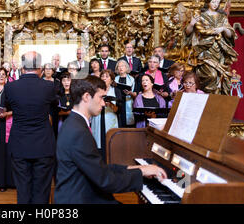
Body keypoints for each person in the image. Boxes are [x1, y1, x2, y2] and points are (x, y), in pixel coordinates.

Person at [54, 76, 167, 204]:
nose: (103, 103)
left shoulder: (75, 123)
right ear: (86, 97)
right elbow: (105, 180)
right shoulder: (78, 131)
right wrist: (140, 173)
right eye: (101, 97)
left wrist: (139, 169)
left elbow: (99, 168)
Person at [4, 51, 57, 204]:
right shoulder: (49, 87)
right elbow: (53, 106)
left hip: (19, 144)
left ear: (22, 68)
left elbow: (7, 105)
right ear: (40, 67)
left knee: (23, 189)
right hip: (43, 145)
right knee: (41, 190)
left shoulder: (10, 87)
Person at [192, 0, 238, 95]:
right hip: (205, 50)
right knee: (211, 75)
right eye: (213, 2)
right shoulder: (201, 16)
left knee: (221, 78)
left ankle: (216, 101)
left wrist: (222, 29)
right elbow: (198, 30)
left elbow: (230, 33)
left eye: (217, 2)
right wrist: (213, 31)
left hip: (220, 50)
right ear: (208, 2)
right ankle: (207, 97)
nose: (215, 4)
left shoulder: (222, 17)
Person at [90, 70, 121, 161]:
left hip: (111, 120)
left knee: (111, 146)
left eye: (106, 76)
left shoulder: (116, 91)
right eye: (102, 76)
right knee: (98, 145)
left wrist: (110, 104)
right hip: (97, 119)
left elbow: (119, 110)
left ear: (111, 80)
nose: (104, 78)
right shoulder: (95, 90)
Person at [114, 60, 136, 127]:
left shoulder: (131, 79)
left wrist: (130, 93)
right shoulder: (115, 79)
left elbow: (135, 93)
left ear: (126, 68)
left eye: (122, 66)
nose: (120, 68)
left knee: (128, 124)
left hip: (128, 102)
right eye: (119, 66)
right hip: (118, 102)